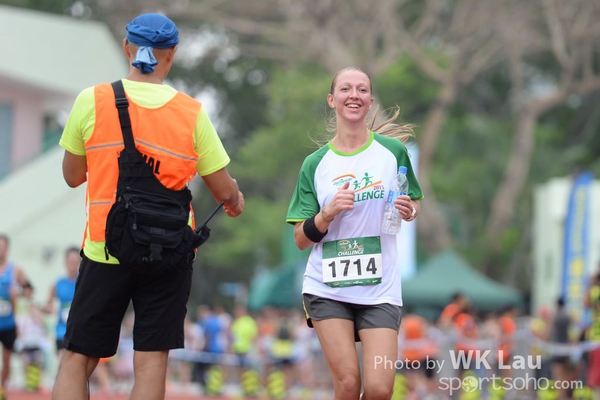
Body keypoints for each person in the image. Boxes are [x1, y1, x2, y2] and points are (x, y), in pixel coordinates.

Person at [51, 13, 244, 400]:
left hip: (105, 249)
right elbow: (224, 192)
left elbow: (72, 176)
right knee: (151, 361)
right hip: (168, 253)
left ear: (128, 47)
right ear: (172, 54)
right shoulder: (191, 113)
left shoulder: (92, 100)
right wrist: (235, 198)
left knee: (78, 357)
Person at [286, 66, 423, 400]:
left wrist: (410, 210)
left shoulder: (393, 152)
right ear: (332, 100)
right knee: (348, 383)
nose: (354, 95)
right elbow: (300, 239)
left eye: (362, 90)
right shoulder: (315, 164)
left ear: (370, 101)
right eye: (346, 89)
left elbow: (414, 201)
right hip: (327, 288)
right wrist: (328, 213)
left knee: (379, 389)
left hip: (380, 289)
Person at [0, 234, 32, 400]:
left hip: (8, 323)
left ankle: (2, 389)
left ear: (7, 249)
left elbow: (29, 290)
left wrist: (17, 292)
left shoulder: (15, 270)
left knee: (7, 360)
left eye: (3, 247)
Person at [44, 246, 80, 357]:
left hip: (79, 331)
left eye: (75, 261)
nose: (73, 264)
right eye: (70, 261)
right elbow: (48, 303)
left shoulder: (83, 283)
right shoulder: (58, 283)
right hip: (62, 331)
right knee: (62, 361)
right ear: (65, 262)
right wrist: (50, 309)